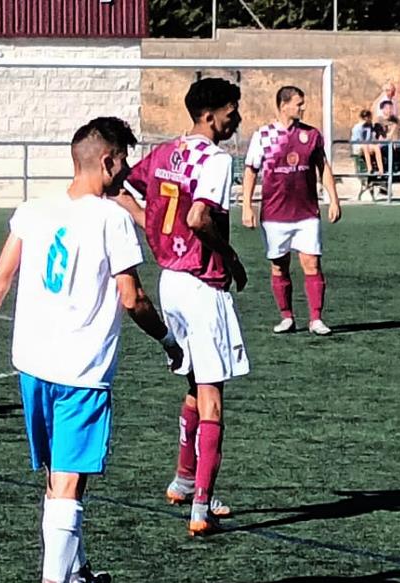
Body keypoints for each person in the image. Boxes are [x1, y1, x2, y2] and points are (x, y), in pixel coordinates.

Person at [0, 117, 182, 583]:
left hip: (33, 365)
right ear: (108, 161)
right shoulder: (111, 218)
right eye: (124, 161)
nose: (125, 174)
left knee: (61, 481)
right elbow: (132, 297)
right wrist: (167, 340)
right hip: (81, 371)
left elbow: (0, 278)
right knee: (69, 486)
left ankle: (74, 576)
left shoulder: (33, 210)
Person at [119, 77, 249, 537]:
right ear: (210, 115)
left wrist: (148, 225)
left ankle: (183, 478)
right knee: (213, 398)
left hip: (170, 280)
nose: (236, 119)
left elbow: (119, 188)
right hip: (200, 282)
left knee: (195, 382)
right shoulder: (215, 160)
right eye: (232, 111)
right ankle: (201, 508)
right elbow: (198, 217)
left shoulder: (164, 152)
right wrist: (230, 256)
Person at [242, 85, 342, 336]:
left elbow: (324, 167)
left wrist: (334, 199)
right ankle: (286, 316)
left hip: (306, 213)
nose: (303, 107)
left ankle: (316, 319)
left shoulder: (312, 135)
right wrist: (247, 206)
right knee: (279, 266)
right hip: (275, 214)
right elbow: (250, 171)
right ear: (283, 104)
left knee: (312, 264)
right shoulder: (263, 135)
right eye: (298, 103)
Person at [377, 103, 400, 173]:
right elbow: (382, 136)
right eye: (387, 108)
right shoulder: (379, 120)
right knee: (388, 148)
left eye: (391, 108)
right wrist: (391, 140)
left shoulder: (395, 119)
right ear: (383, 110)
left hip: (397, 142)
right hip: (385, 143)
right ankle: (391, 170)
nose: (390, 110)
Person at [350, 109, 385, 176]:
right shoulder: (357, 128)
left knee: (376, 147)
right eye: (365, 117)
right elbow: (357, 140)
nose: (367, 119)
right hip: (358, 146)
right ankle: (369, 168)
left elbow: (371, 138)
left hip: (368, 145)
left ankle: (381, 169)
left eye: (368, 117)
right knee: (365, 146)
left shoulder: (370, 127)